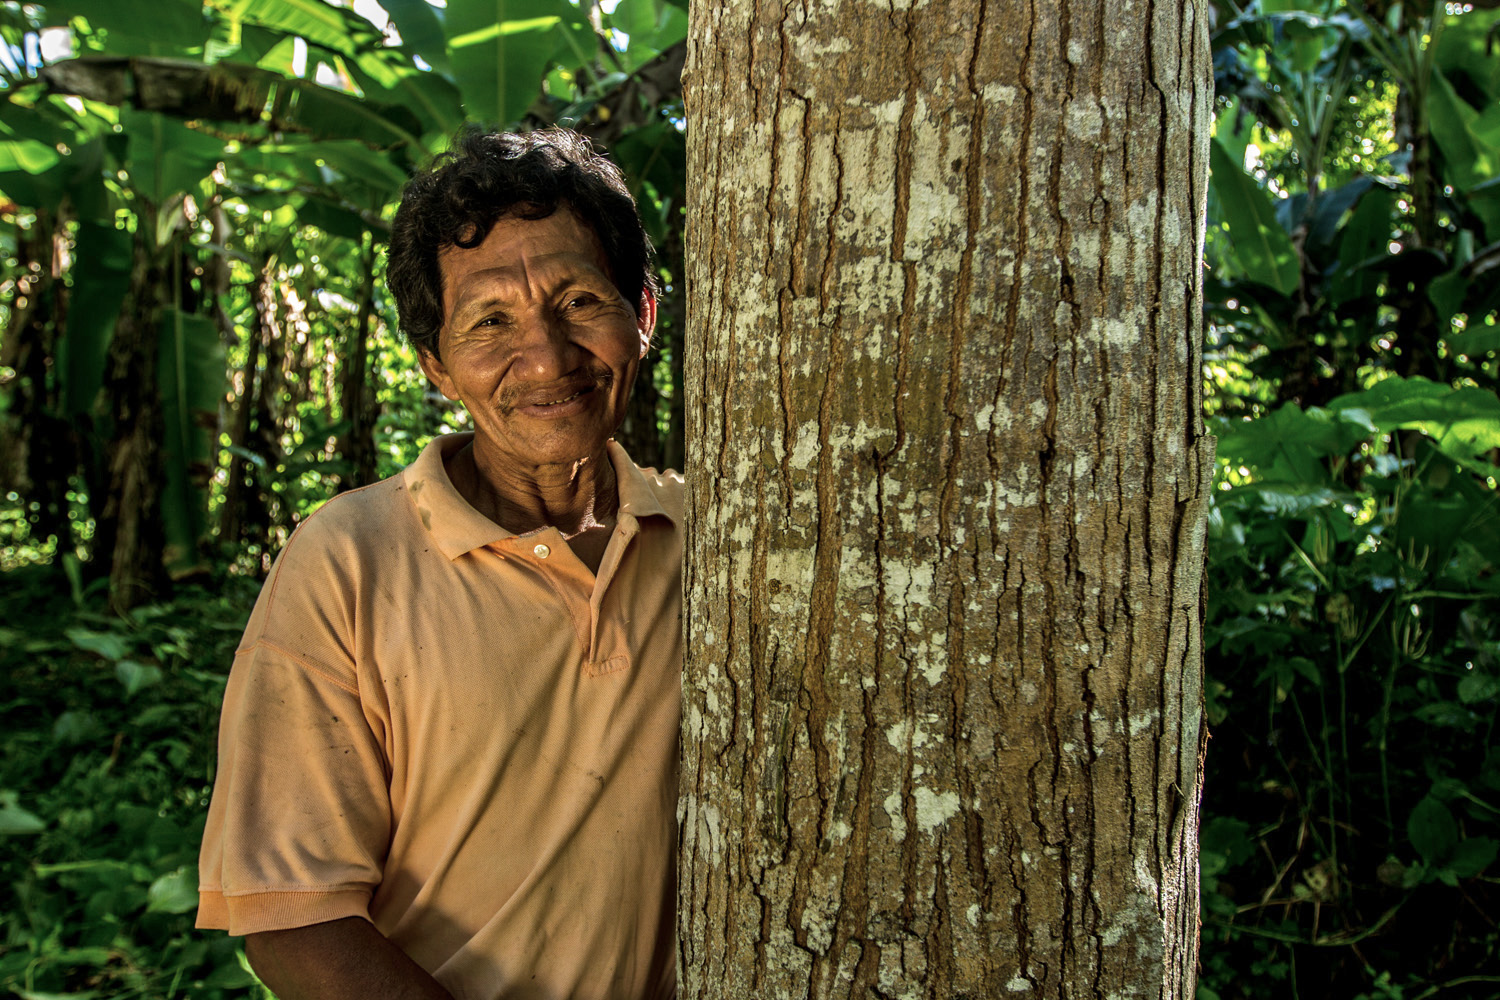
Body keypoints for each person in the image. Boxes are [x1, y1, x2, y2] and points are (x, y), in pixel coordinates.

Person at [195, 127, 681, 1000]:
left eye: (577, 301)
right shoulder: (347, 563)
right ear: (436, 367)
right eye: (490, 322)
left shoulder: (715, 540)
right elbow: (293, 918)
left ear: (641, 315)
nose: (546, 358)